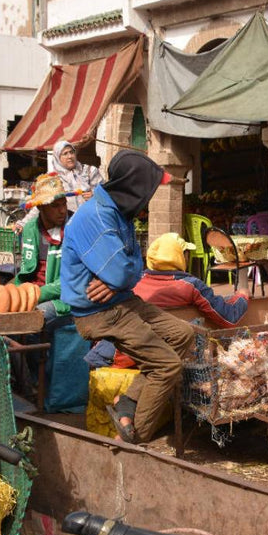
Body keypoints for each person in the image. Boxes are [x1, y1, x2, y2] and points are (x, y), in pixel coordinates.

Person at [60, 150, 194, 444]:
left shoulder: (119, 213)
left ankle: (127, 403)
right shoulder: (96, 217)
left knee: (183, 334)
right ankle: (136, 438)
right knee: (167, 366)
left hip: (120, 300)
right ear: (135, 189)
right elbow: (124, 271)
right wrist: (122, 276)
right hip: (99, 311)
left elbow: (133, 267)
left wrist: (120, 278)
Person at [135, 232, 249, 327]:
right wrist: (242, 296)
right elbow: (229, 317)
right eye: (187, 253)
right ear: (181, 257)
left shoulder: (134, 282)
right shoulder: (191, 285)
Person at [11, 173, 72, 332]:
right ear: (40, 207)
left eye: (64, 204)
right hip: (33, 293)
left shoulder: (75, 228)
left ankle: (36, 356)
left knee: (30, 319)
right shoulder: (31, 228)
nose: (62, 211)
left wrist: (36, 294)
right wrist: (13, 290)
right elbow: (26, 271)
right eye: (55, 206)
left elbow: (71, 281)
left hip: (66, 298)